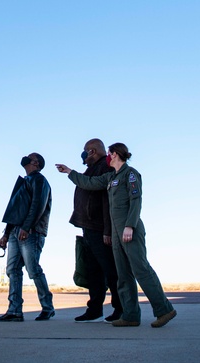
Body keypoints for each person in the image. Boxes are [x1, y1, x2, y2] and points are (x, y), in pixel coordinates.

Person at [56, 143, 177, 328]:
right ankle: (130, 315)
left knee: (141, 270)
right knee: (123, 275)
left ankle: (164, 309)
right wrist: (70, 172)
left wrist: (130, 226)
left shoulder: (131, 174)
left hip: (130, 229)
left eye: (109, 154)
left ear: (114, 154)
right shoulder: (110, 177)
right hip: (116, 232)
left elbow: (136, 200)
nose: (107, 157)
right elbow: (89, 183)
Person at [0, 152, 55, 322]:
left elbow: (38, 205)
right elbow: (14, 210)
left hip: (31, 232)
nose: (26, 158)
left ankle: (47, 307)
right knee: (12, 269)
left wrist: (27, 227)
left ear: (36, 163)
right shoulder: (24, 182)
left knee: (33, 269)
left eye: (30, 157)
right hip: (16, 231)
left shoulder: (39, 180)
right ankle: (14, 310)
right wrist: (6, 234)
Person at [69, 138, 123, 322]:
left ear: (92, 151)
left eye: (85, 151)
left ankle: (120, 308)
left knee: (110, 270)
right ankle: (94, 309)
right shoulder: (90, 170)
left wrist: (107, 230)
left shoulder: (104, 169)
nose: (83, 155)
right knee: (93, 271)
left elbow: (107, 202)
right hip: (89, 228)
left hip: (100, 228)